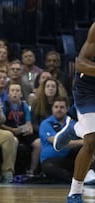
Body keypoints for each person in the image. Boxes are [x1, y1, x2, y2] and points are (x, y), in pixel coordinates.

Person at [53, 22, 95, 202]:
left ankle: (74, 128)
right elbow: (81, 64)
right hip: (88, 87)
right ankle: (75, 192)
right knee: (92, 140)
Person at [40, 96, 83, 183]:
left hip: (68, 159)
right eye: (56, 107)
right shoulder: (46, 123)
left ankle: (87, 175)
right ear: (52, 108)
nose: (59, 109)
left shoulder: (72, 123)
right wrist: (83, 142)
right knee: (48, 167)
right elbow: (58, 142)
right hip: (50, 160)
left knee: (85, 150)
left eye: (62, 107)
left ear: (67, 109)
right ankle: (74, 179)